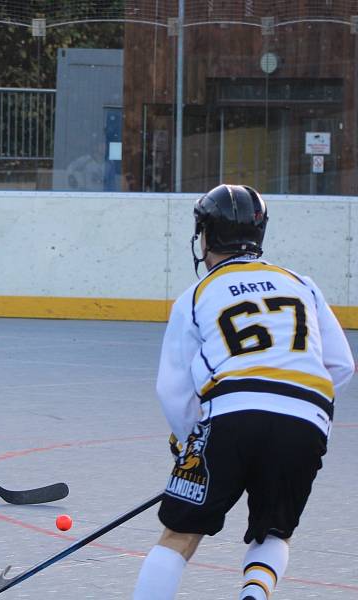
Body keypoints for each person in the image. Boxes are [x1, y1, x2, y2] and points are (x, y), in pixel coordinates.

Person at [132, 184, 354, 600]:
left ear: (205, 236)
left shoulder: (196, 295)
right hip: (305, 422)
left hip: (231, 415)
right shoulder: (300, 283)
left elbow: (174, 389)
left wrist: (187, 443)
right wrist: (299, 411)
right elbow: (341, 365)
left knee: (180, 534)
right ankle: (253, 593)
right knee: (274, 530)